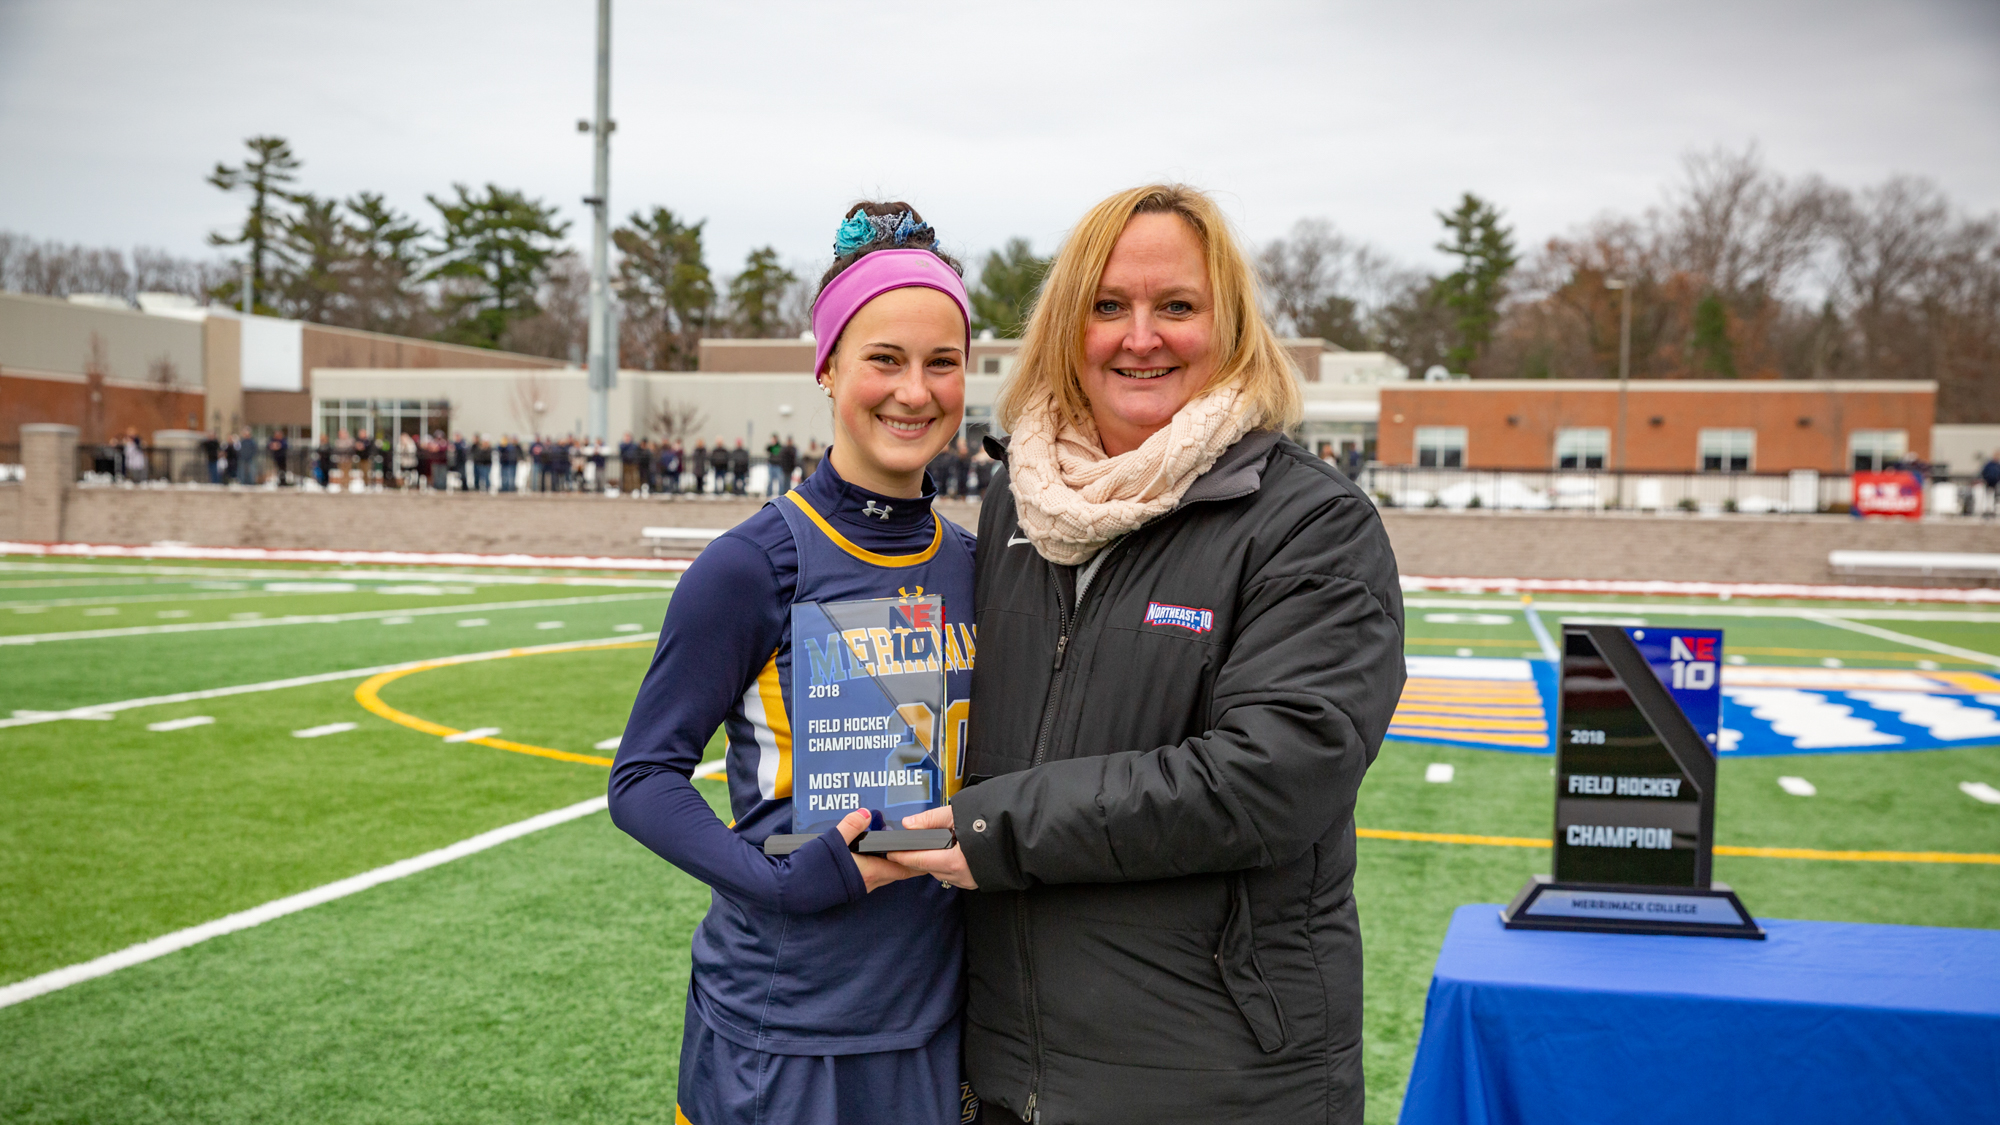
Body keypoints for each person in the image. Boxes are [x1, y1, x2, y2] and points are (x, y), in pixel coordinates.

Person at [892, 185, 1405, 1124]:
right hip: (1006, 1072)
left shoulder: (1313, 524)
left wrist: (994, 829)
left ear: (1232, 327)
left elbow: (1274, 777)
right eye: (1108, 306)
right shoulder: (1018, 504)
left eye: (1177, 306)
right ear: (1065, 325)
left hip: (1216, 1081)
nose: (1141, 336)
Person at [609, 201, 977, 1125]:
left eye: (943, 362)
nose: (914, 391)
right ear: (827, 369)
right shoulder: (752, 564)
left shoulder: (980, 564)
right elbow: (643, 778)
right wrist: (773, 879)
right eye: (884, 359)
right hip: (786, 1027)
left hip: (942, 1016)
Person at [1981, 451, 2000, 519]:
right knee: (1987, 497)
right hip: (1988, 483)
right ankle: (1986, 510)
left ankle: (1992, 510)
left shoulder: (1998, 465)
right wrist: (1986, 479)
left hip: (1996, 484)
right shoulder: (1989, 465)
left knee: (1994, 498)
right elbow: (1984, 472)